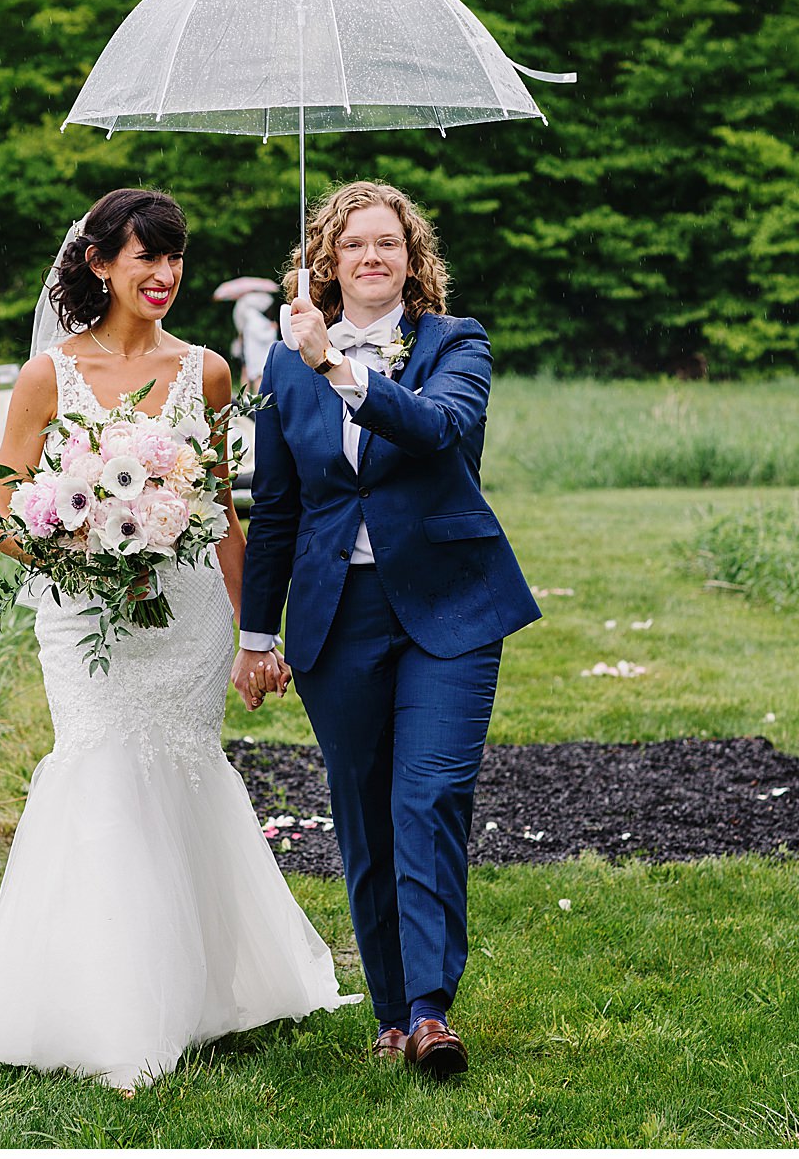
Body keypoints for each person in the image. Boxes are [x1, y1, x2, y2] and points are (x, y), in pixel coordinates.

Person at [0, 187, 355, 1094]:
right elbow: (0, 506)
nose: (166, 275)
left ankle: (199, 991)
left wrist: (256, 633)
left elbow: (222, 517)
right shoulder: (50, 376)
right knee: (98, 767)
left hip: (188, 612)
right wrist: (76, 546)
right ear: (99, 265)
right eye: (146, 259)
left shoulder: (206, 371)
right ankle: (108, 1009)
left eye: (175, 258)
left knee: (179, 767)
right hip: (85, 613)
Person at [230, 180, 539, 1079]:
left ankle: (433, 1011)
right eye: (355, 244)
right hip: (338, 617)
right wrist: (258, 635)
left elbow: (440, 430)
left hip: (450, 605)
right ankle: (391, 1012)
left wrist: (339, 367)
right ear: (325, 261)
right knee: (364, 815)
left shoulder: (454, 343)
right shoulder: (283, 365)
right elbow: (279, 507)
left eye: (390, 244)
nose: (374, 256)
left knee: (428, 797)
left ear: (413, 258)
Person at [230, 286, 280, 389]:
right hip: (258, 354)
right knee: (258, 376)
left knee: (248, 372)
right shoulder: (256, 320)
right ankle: (258, 400)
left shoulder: (247, 318)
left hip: (250, 352)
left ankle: (245, 397)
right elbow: (263, 337)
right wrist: (272, 330)